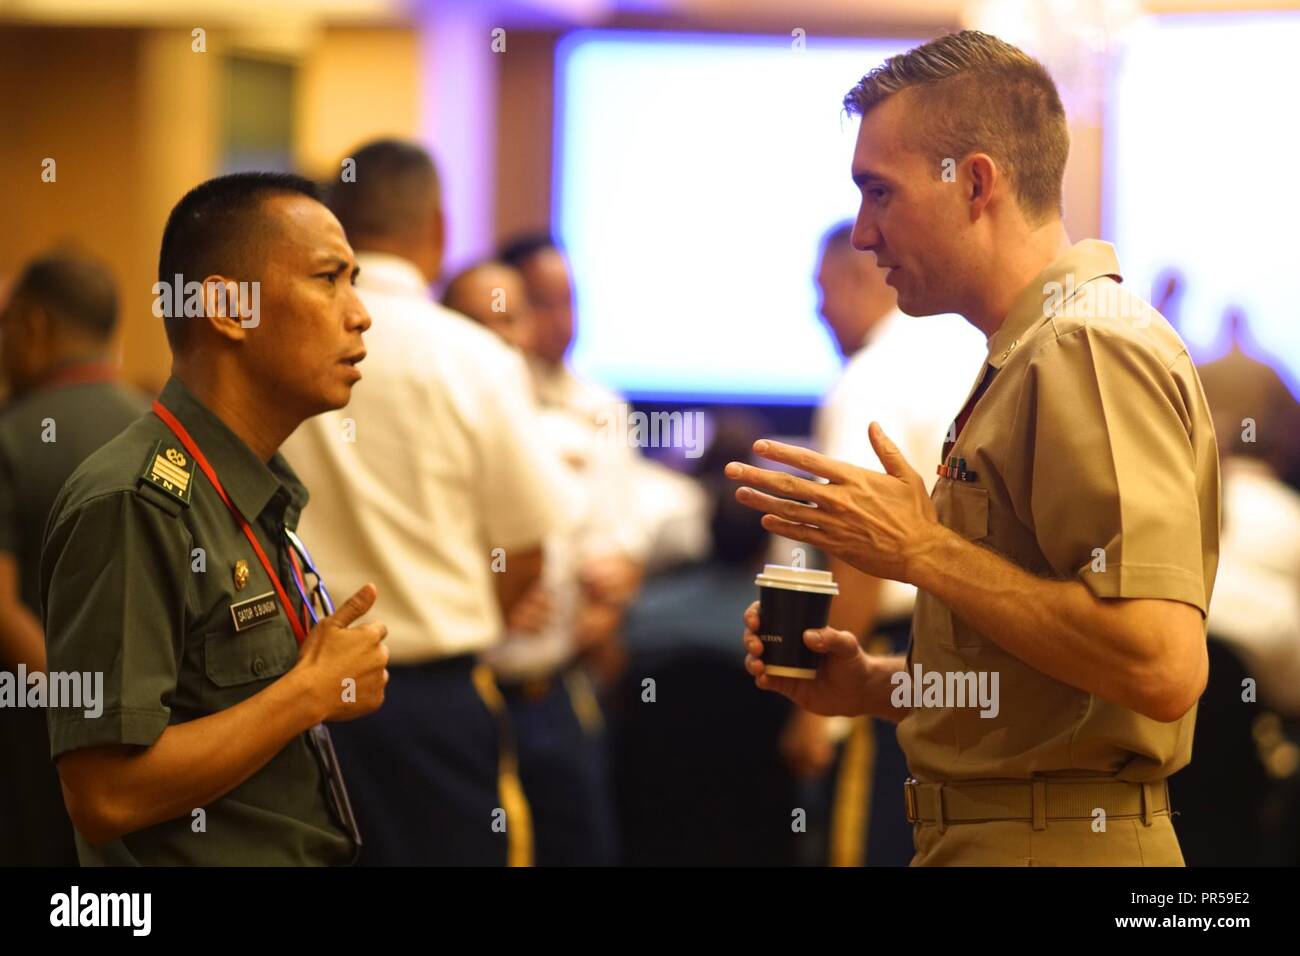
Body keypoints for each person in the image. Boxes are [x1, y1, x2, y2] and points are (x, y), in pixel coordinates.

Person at [729, 30, 1219, 866]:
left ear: (976, 183)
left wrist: (922, 549)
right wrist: (877, 686)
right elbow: (1043, 684)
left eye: (879, 192)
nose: (861, 234)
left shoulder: (1085, 346)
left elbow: (1159, 663)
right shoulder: (1026, 353)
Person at [40, 172, 388, 865]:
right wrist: (307, 693)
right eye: (329, 279)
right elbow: (104, 794)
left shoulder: (247, 484)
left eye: (355, 280)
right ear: (228, 309)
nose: (360, 313)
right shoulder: (136, 501)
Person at [283, 140, 561, 866]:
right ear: (438, 228)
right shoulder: (479, 359)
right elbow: (528, 547)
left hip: (291, 697)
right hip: (436, 702)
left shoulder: (278, 348)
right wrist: (464, 614)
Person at [793, 221, 984, 866]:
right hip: (987, 657)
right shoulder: (980, 354)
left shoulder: (867, 381)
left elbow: (857, 556)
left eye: (822, 290)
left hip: (899, 658)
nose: (818, 310)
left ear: (859, 276)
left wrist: (823, 715)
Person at [444, 257, 621, 865]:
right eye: (478, 320)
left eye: (511, 319)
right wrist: (487, 600)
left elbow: (606, 540)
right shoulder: (428, 434)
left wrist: (612, 593)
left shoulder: (562, 423)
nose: (503, 338)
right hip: (467, 694)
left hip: (554, 689)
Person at [0, 251, 148, 865]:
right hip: (155, 743)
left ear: (31, 325)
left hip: (37, 741)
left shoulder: (10, 435)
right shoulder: (160, 427)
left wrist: (77, 705)